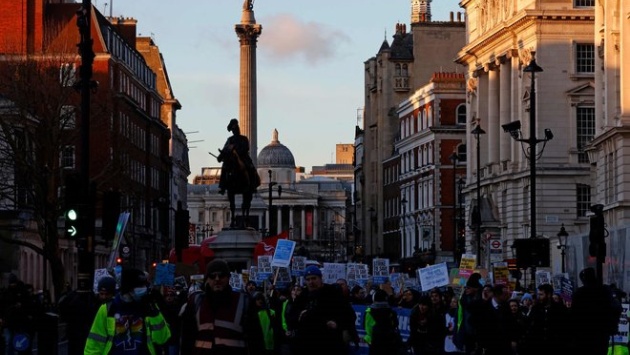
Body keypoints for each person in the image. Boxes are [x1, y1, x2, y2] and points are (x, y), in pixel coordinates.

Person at [84, 268, 171, 355]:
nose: (144, 289)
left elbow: (162, 339)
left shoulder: (148, 306)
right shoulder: (108, 309)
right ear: (128, 288)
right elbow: (94, 344)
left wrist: (154, 313)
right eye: (140, 286)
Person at [180, 259, 251, 355]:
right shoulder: (196, 302)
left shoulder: (244, 302)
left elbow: (255, 342)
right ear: (207, 279)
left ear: (228, 277)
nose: (217, 279)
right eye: (212, 276)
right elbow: (187, 341)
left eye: (221, 275)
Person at [290, 265, 356, 355]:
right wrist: (300, 315)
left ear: (321, 278)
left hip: (329, 343)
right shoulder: (302, 296)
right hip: (306, 344)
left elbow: (349, 315)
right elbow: (292, 316)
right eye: (308, 279)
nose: (311, 282)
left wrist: (338, 325)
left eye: (314, 278)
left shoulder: (332, 293)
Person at [570, 267, 622, 355]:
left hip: (584, 335)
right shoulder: (605, 290)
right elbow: (616, 308)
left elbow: (573, 315)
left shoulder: (579, 293)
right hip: (600, 334)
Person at [217, 119, 260, 195]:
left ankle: (253, 186)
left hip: (243, 157)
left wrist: (238, 153)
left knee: (251, 168)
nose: (235, 131)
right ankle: (222, 187)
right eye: (233, 129)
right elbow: (225, 149)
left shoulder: (244, 138)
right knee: (224, 168)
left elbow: (246, 148)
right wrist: (220, 157)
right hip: (232, 159)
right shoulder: (230, 140)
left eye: (236, 129)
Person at [363, 289, 403, 355]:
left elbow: (367, 327)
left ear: (373, 299)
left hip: (375, 342)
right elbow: (394, 325)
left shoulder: (369, 311)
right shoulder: (391, 312)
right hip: (390, 342)